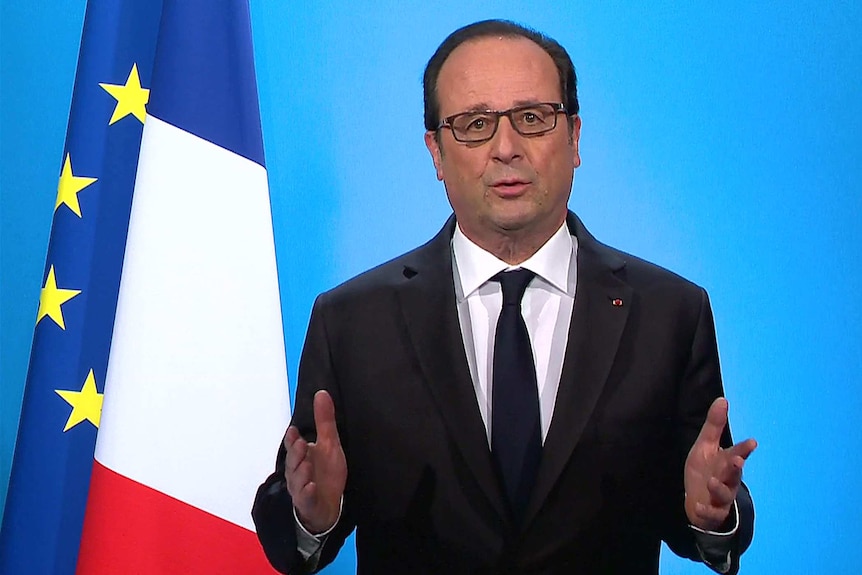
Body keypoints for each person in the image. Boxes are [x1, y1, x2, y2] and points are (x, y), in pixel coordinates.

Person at [252, 19, 756, 575]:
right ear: (436, 154)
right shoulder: (351, 321)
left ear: (575, 138)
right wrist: (311, 517)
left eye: (533, 119)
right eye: (474, 124)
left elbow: (706, 496)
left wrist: (712, 517)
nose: (506, 148)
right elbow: (291, 529)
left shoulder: (669, 313)